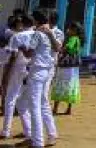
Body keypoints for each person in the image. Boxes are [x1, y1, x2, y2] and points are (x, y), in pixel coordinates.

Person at [20, 10, 61, 148]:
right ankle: (50, 134)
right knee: (42, 103)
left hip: (38, 71)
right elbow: (57, 48)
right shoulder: (51, 32)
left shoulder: (38, 33)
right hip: (46, 70)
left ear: (36, 20)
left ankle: (37, 141)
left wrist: (21, 47)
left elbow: (29, 53)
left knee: (35, 106)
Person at [2, 14, 33, 140]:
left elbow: (12, 58)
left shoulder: (17, 36)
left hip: (18, 68)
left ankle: (6, 130)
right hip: (32, 69)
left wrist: (5, 76)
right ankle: (28, 131)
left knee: (10, 99)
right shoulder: (37, 35)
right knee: (22, 103)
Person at [51, 23, 81, 115]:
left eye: (70, 28)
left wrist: (59, 49)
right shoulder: (78, 39)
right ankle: (68, 108)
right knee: (71, 85)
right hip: (73, 66)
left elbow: (68, 47)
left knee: (60, 83)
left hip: (66, 65)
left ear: (74, 30)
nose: (68, 30)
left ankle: (55, 108)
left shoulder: (72, 38)